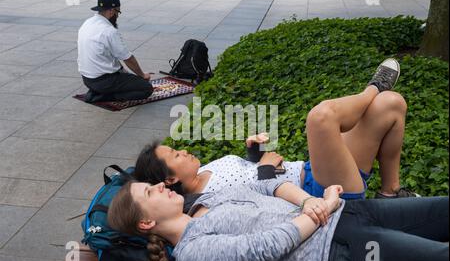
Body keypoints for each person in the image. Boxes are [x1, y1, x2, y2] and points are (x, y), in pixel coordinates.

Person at [134, 59, 418, 199]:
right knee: (320, 118)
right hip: (322, 194)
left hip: (317, 170)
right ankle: (373, 86)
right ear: (169, 181)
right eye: (175, 155)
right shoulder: (206, 202)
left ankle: (390, 192)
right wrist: (267, 168)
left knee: (391, 105)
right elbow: (263, 206)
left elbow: (250, 169)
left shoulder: (208, 168)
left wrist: (254, 151)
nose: (183, 150)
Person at [107, 179, 449, 261]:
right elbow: (263, 248)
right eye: (150, 192)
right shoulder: (193, 254)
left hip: (351, 213)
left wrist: (307, 201)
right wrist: (321, 210)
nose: (161, 186)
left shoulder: (205, 199)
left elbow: (267, 186)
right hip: (339, 251)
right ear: (146, 222)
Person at [77, 0, 153, 103]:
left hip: (87, 79)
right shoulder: (109, 31)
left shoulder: (87, 23)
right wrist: (142, 75)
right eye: (118, 12)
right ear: (112, 11)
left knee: (128, 78)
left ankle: (98, 91)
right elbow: (128, 59)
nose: (117, 16)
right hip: (104, 81)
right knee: (146, 88)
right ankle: (101, 96)